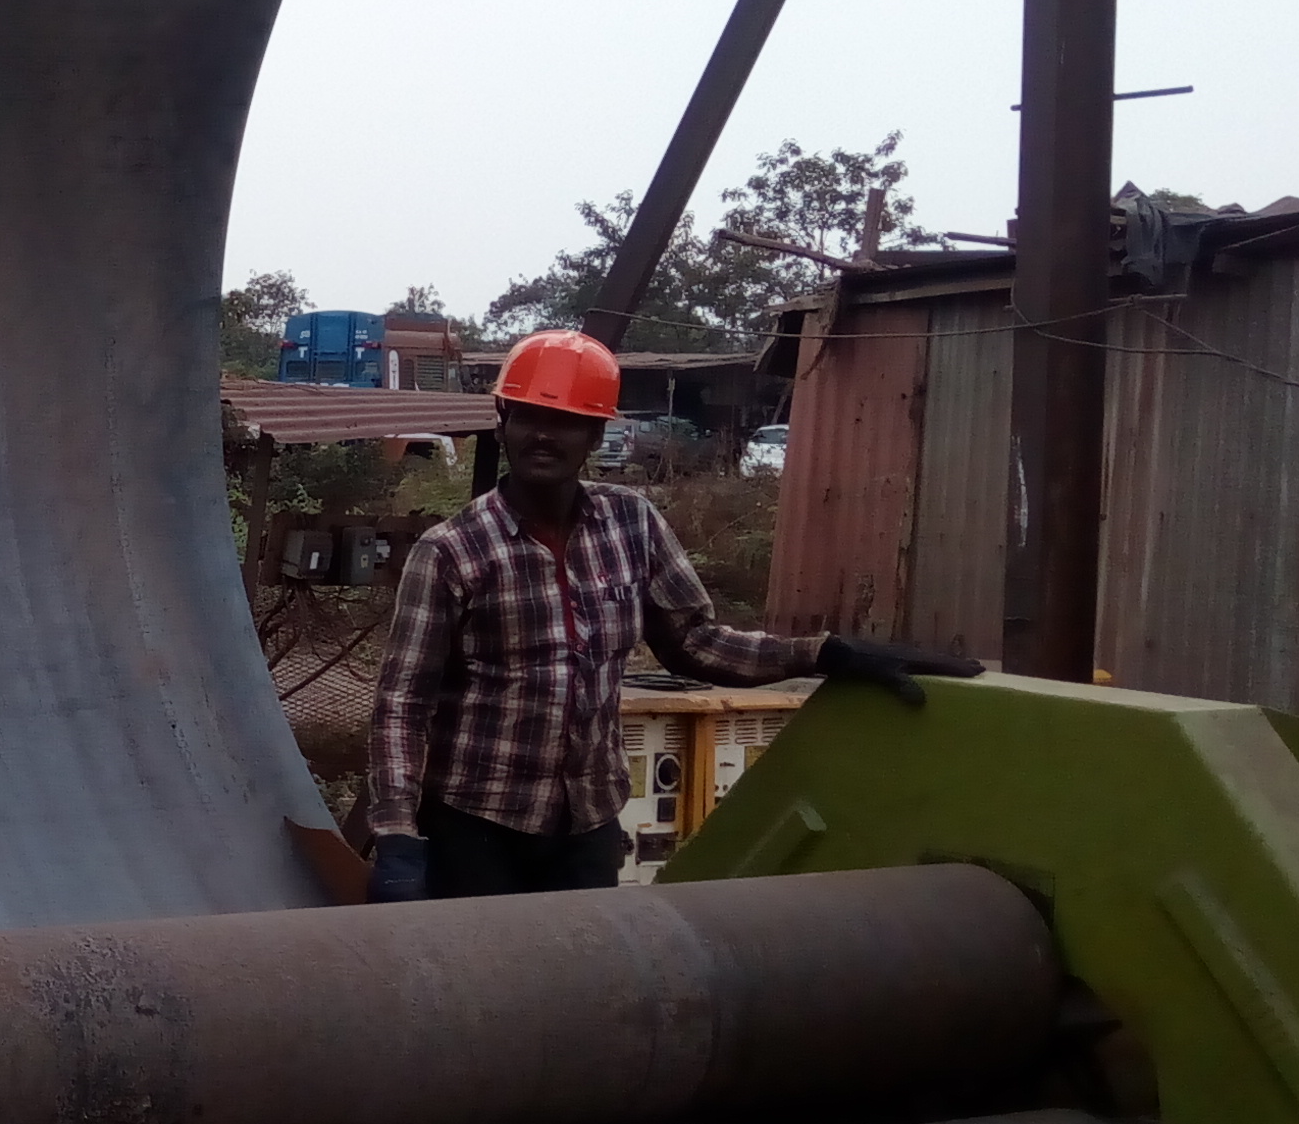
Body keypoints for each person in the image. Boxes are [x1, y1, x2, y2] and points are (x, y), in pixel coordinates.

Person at [365, 329, 977, 903]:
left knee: (586, 972)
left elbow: (696, 642)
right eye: (528, 416)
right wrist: (396, 833)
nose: (543, 436)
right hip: (477, 824)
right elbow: (403, 702)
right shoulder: (452, 551)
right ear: (504, 422)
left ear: (596, 435)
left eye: (567, 421)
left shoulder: (632, 523)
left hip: (588, 824)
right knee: (487, 973)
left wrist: (825, 653)